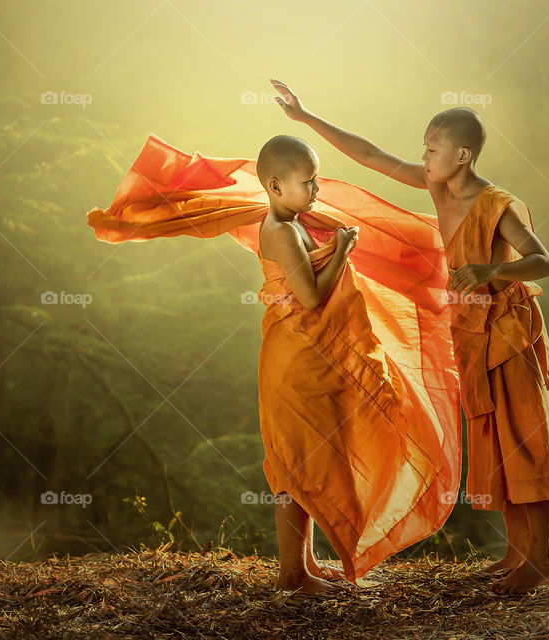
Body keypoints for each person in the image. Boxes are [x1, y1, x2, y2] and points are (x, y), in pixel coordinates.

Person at [88, 132, 462, 594]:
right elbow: (309, 296)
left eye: (317, 180)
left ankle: (302, 563)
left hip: (309, 353)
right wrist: (343, 250)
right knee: (298, 463)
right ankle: (291, 574)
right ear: (275, 186)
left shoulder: (296, 221)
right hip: (297, 356)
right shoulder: (281, 230)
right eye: (308, 182)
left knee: (309, 460)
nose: (317, 190)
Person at [271, 78, 549, 594]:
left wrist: (485, 271)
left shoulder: (497, 204)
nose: (424, 158)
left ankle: (542, 559)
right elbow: (370, 155)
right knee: (495, 440)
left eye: (433, 150)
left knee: (523, 438)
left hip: (511, 331)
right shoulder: (437, 187)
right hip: (473, 331)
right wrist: (307, 118)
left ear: (464, 154)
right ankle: (518, 554)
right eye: (425, 149)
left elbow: (544, 262)